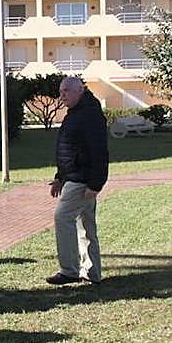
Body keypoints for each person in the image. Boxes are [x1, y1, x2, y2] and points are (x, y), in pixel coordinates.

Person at [47, 76, 109, 286]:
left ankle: (69, 270)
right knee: (86, 226)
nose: (61, 95)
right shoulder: (77, 113)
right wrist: (59, 177)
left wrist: (95, 184)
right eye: (61, 91)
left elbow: (99, 151)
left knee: (62, 217)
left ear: (79, 91)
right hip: (74, 178)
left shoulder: (89, 115)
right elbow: (70, 148)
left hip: (82, 180)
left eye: (66, 91)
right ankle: (92, 273)